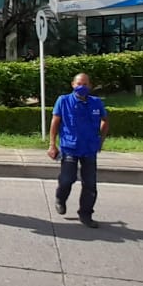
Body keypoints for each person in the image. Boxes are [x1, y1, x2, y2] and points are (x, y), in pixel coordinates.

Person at [48, 73, 109, 229]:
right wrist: (52, 144)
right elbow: (55, 123)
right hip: (70, 147)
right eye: (79, 83)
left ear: (90, 86)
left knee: (90, 184)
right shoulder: (63, 100)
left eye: (85, 84)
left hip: (89, 149)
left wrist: (100, 140)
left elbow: (105, 121)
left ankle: (86, 214)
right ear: (73, 85)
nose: (82, 87)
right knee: (67, 179)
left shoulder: (96, 103)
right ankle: (60, 198)